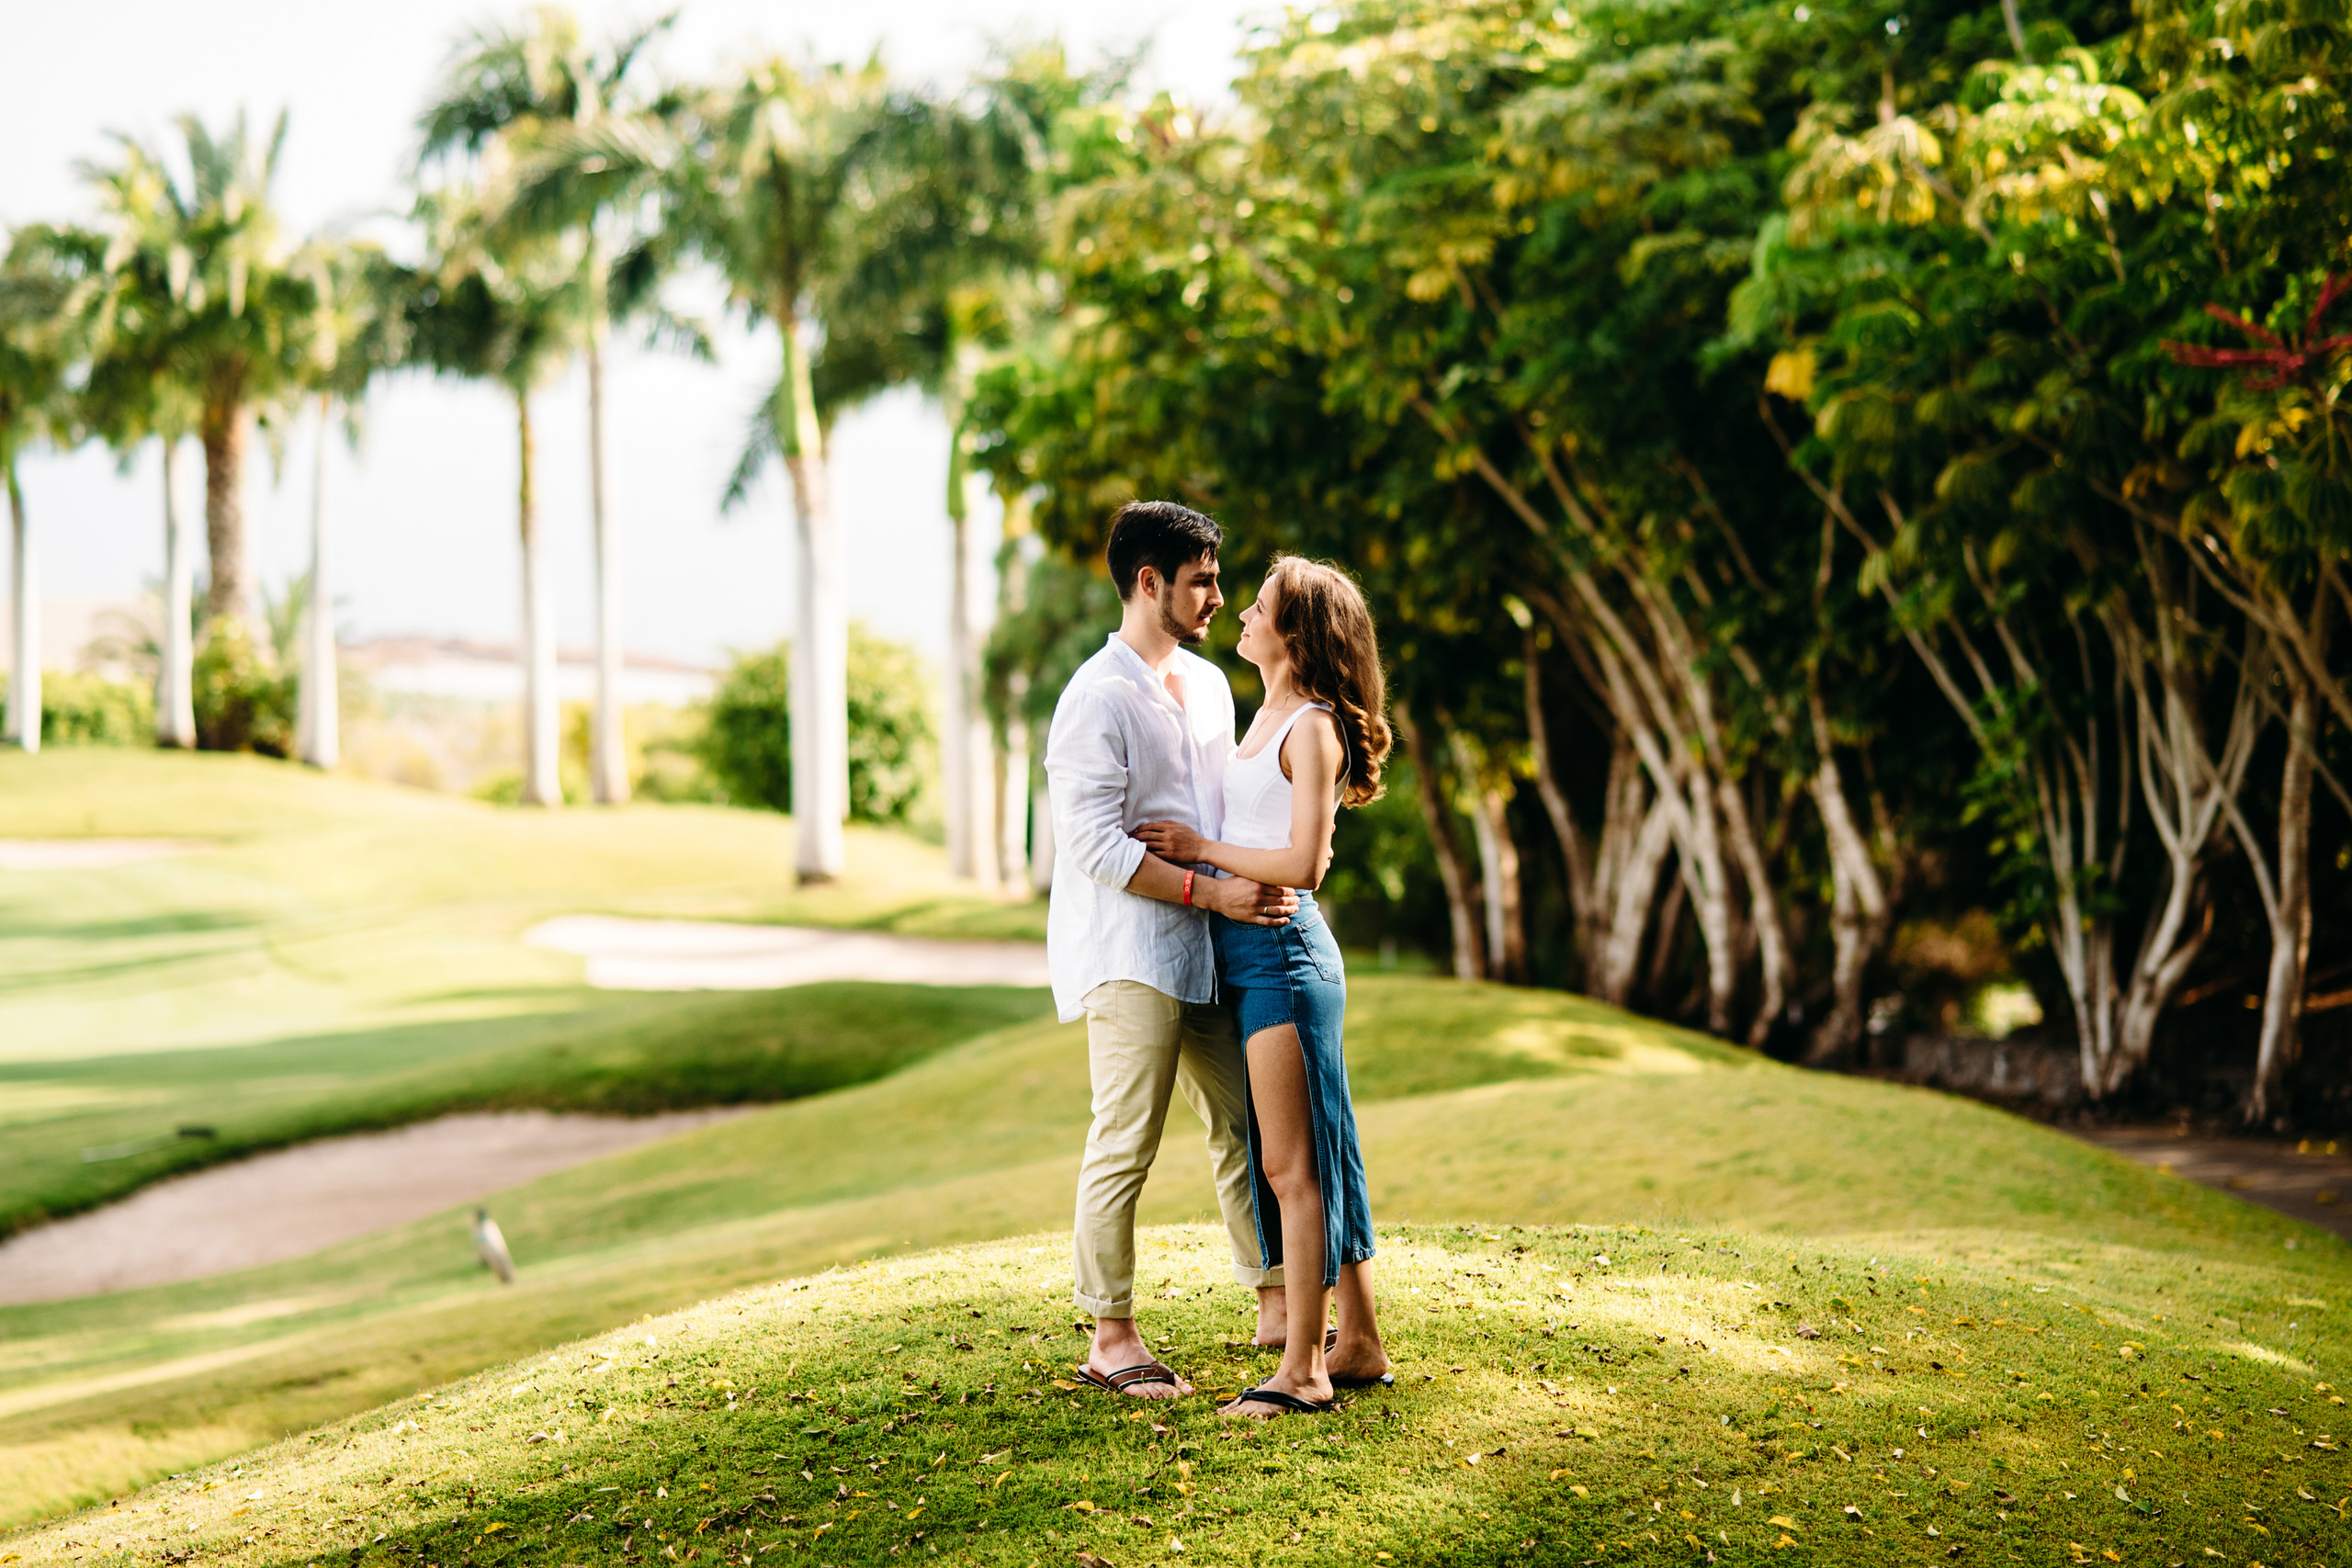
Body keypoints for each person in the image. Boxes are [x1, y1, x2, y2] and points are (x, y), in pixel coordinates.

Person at [1044, 500, 1304, 1401]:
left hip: (1205, 946)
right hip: (1128, 952)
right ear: (1148, 582)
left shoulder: (1208, 685)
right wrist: (1210, 891)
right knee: (1126, 1139)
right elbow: (1093, 847)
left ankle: (1277, 1302)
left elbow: (1221, 812)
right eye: (1202, 581)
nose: (1218, 598)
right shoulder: (1095, 698)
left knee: (1245, 1123)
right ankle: (1109, 1335)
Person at [1136, 555, 1396, 1417]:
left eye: (1258, 606)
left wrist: (1199, 851)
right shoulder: (1268, 714)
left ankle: (1304, 1370)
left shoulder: (1312, 727)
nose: (1241, 613)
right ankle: (1358, 1342)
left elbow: (1306, 863)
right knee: (1324, 1152)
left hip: (1285, 957)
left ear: (1296, 632)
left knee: (1292, 1169)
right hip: (1248, 957)